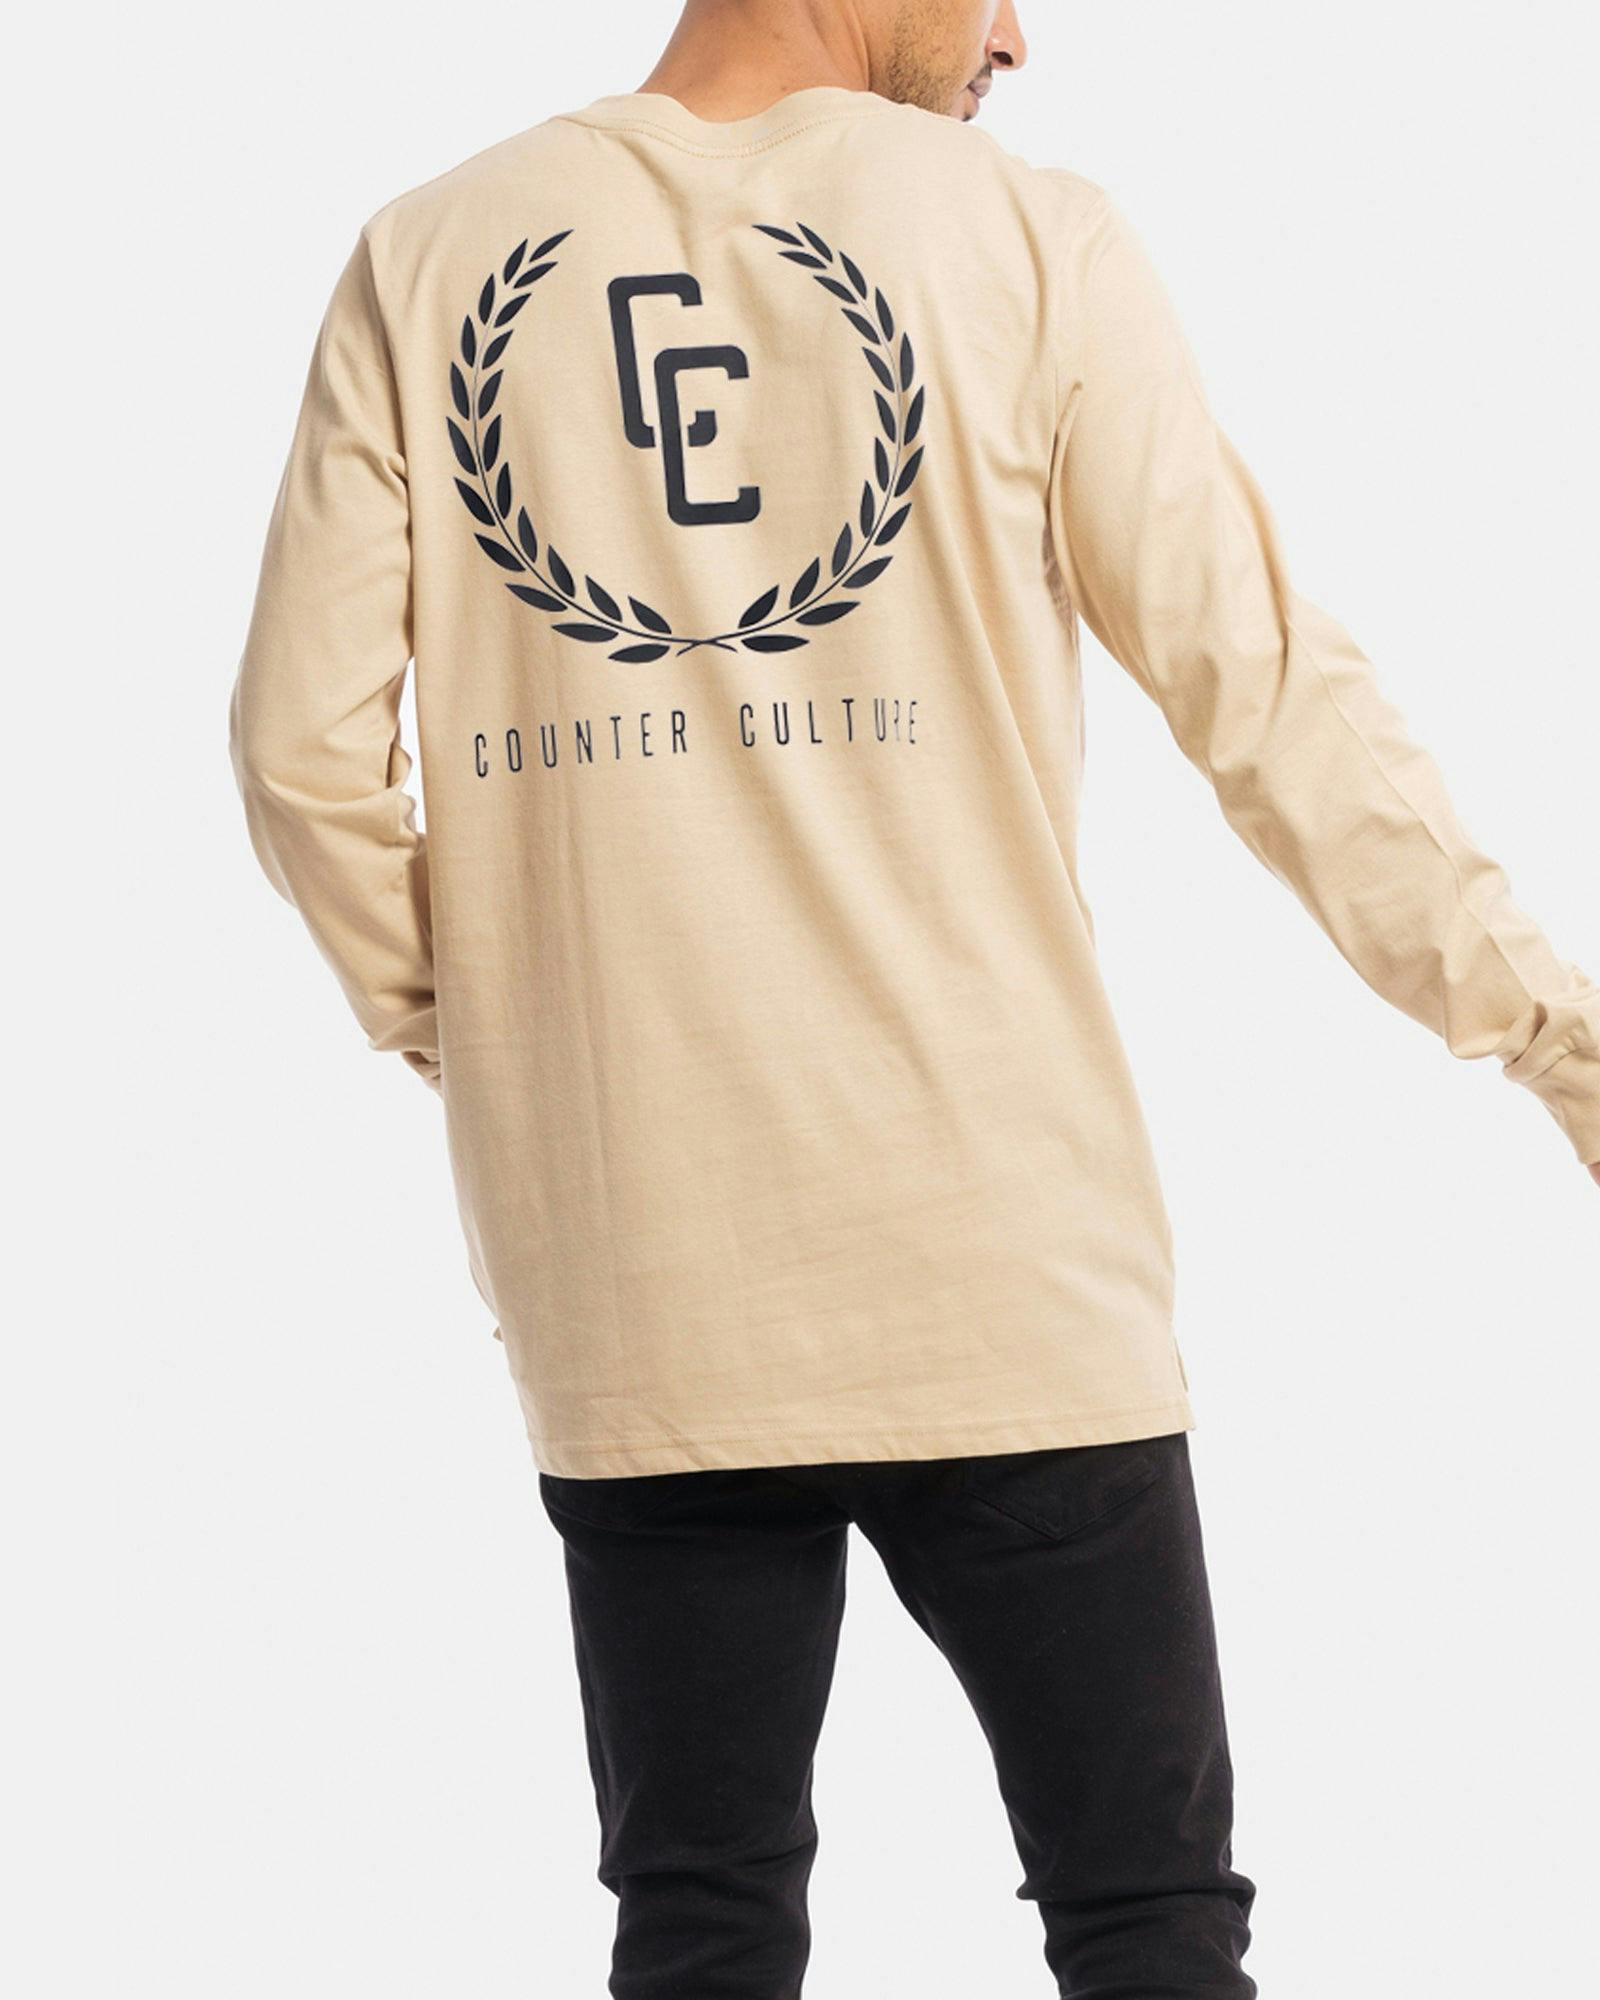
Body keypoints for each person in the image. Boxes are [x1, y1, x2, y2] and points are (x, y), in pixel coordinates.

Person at [229, 2, 1600, 1991]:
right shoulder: (1025, 239)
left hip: (636, 1272)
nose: (1018, 37)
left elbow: (299, 759)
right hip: (998, 1257)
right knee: (1144, 1918)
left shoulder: (430, 254)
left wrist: (518, 1045)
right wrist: (1563, 1043)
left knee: (700, 1920)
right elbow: (1272, 702)